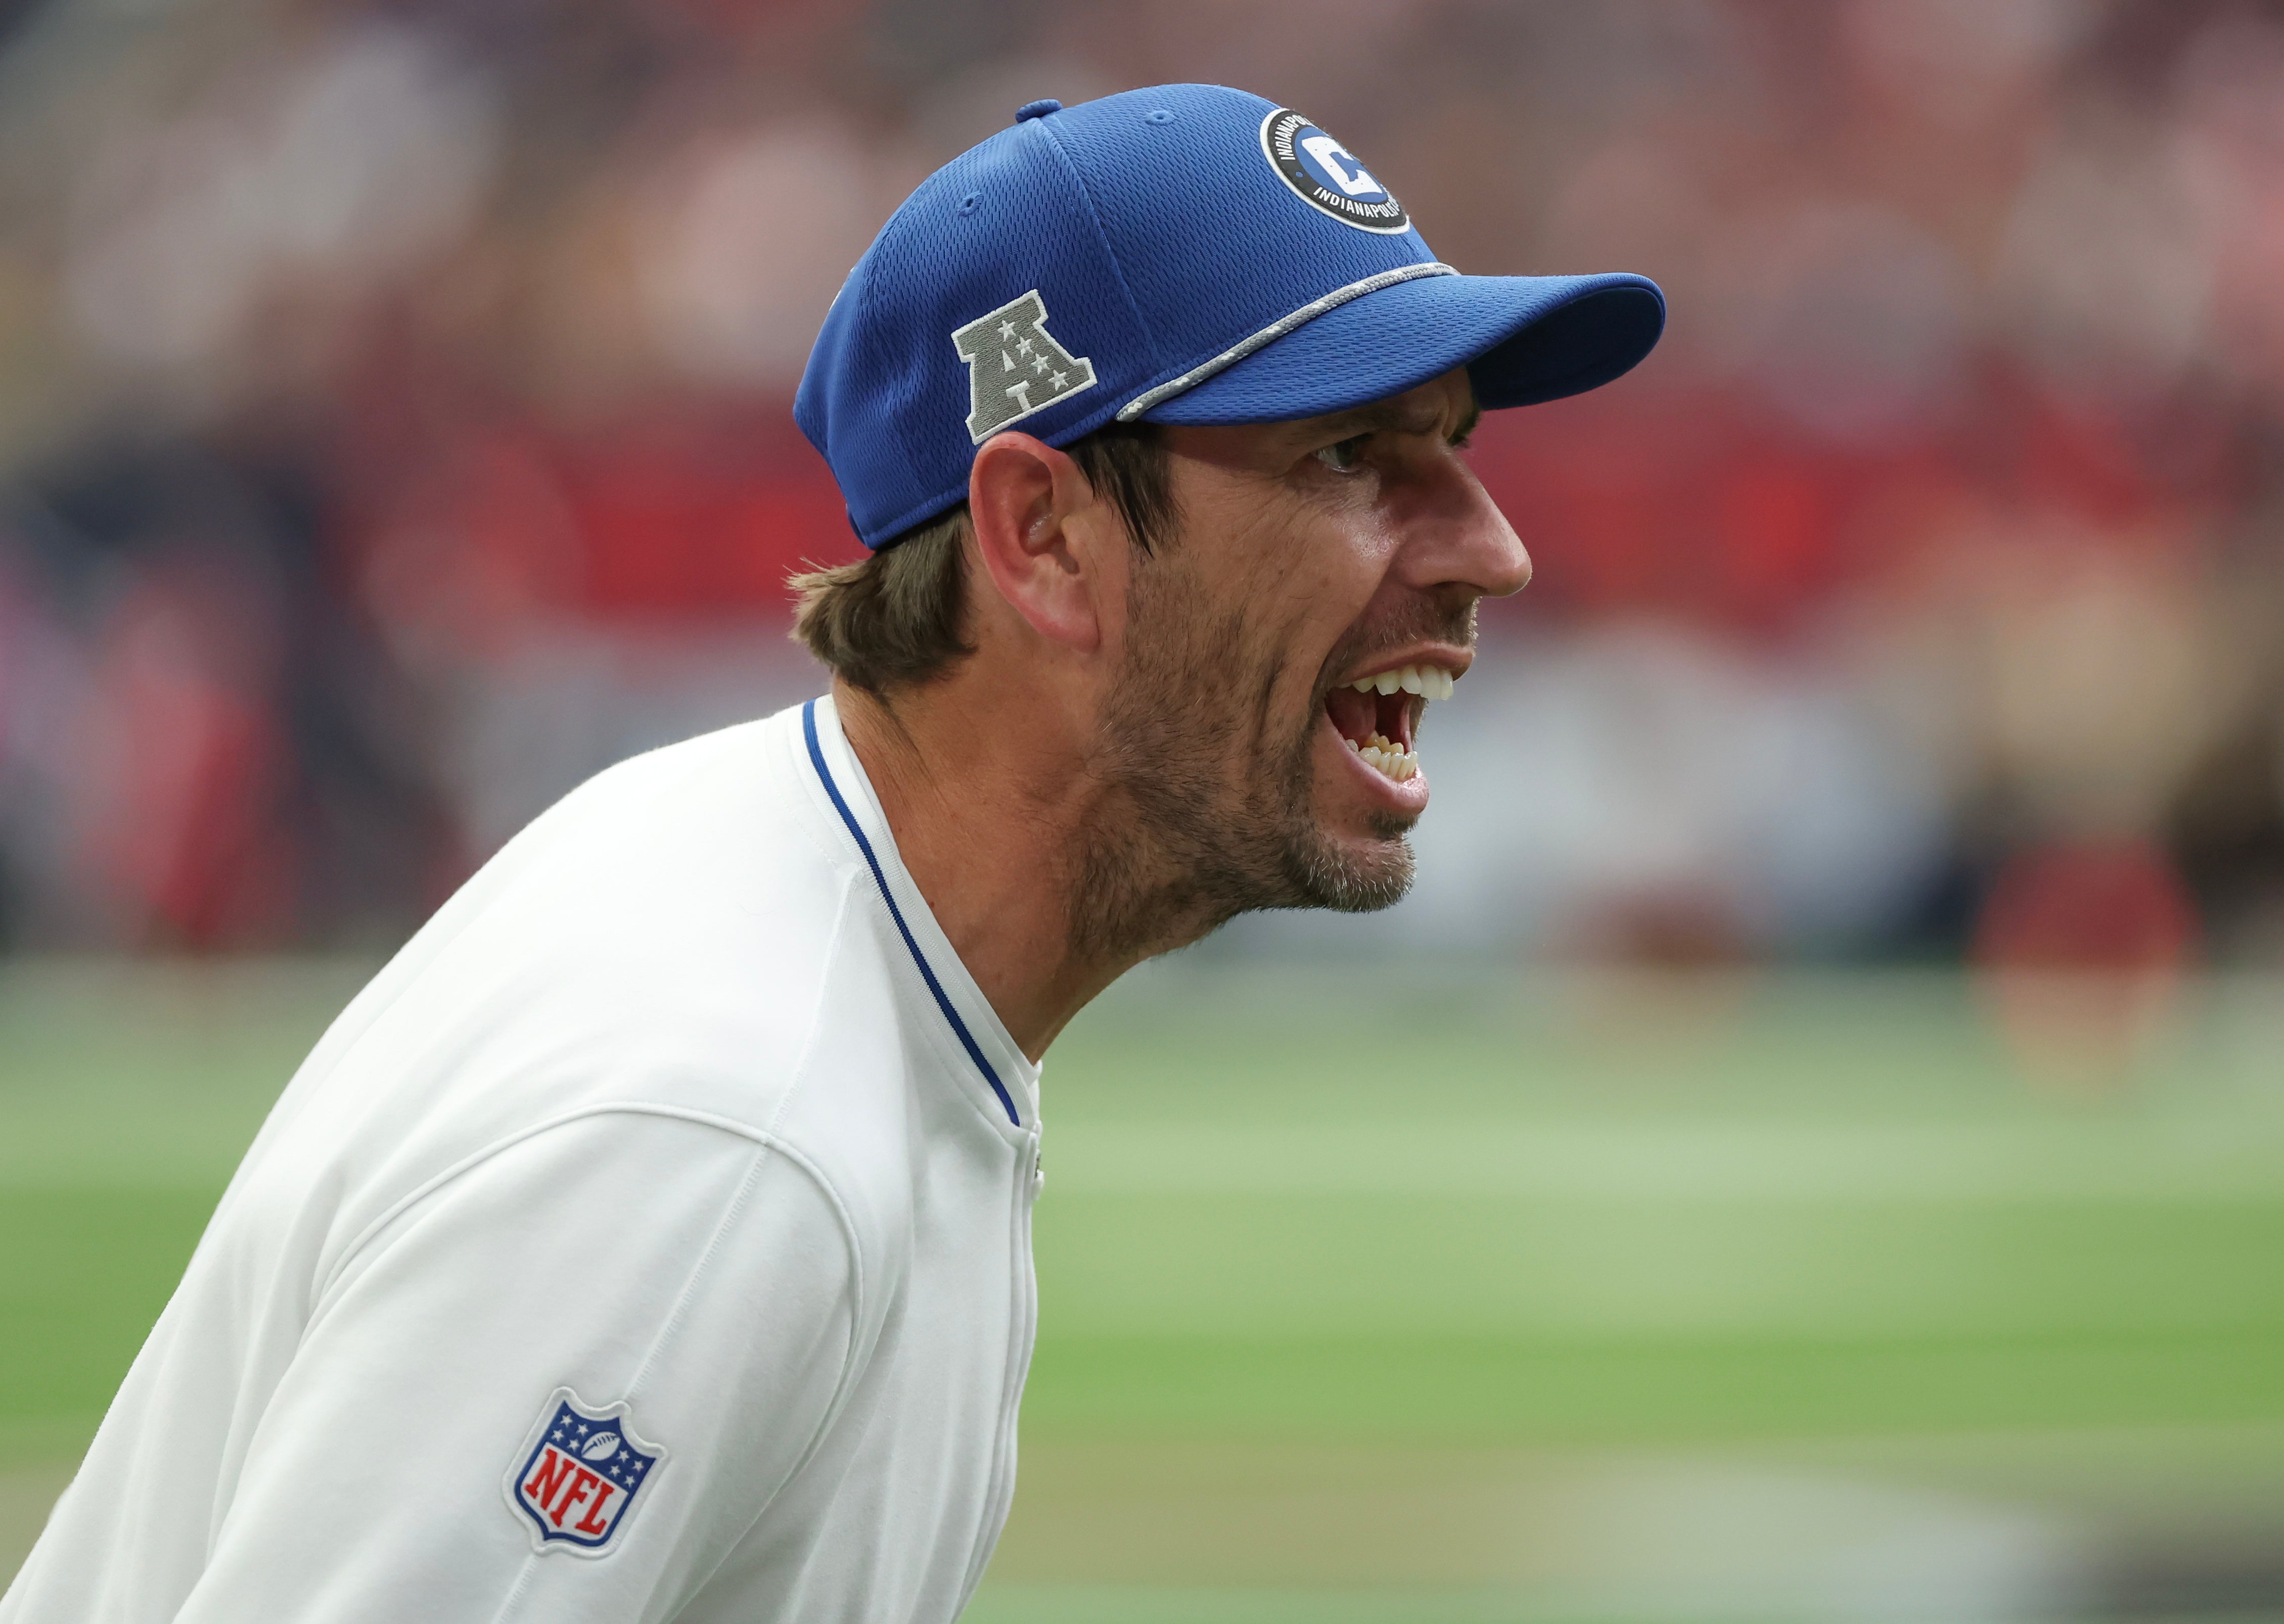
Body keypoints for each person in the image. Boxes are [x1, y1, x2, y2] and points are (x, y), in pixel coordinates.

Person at [1, 83, 1661, 1622]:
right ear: (1041, 539)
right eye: (1349, 456)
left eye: (1459, 449)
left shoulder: (809, 935)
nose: (1491, 552)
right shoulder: (719, 1137)